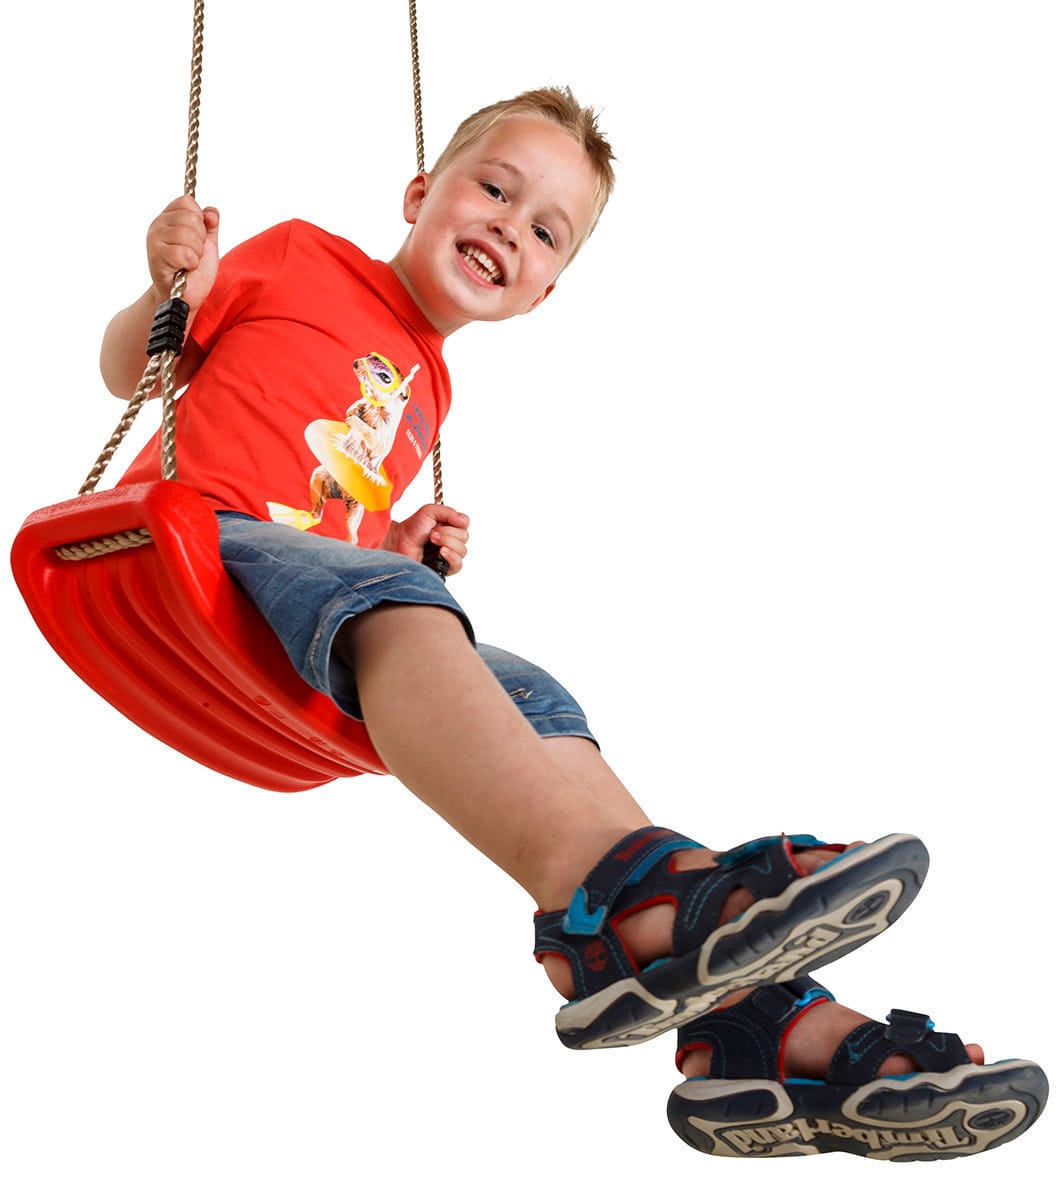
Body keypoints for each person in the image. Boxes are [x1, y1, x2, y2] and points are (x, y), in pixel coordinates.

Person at [98, 87, 1046, 1160]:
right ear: (419, 193)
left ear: (546, 290)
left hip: (293, 593)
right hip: (183, 544)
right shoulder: (300, 257)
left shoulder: (430, 386)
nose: (510, 226)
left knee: (533, 694)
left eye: (545, 231)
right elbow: (137, 375)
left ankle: (758, 1030)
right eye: (494, 190)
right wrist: (168, 287)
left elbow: (325, 513)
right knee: (410, 610)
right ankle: (618, 907)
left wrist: (394, 541)